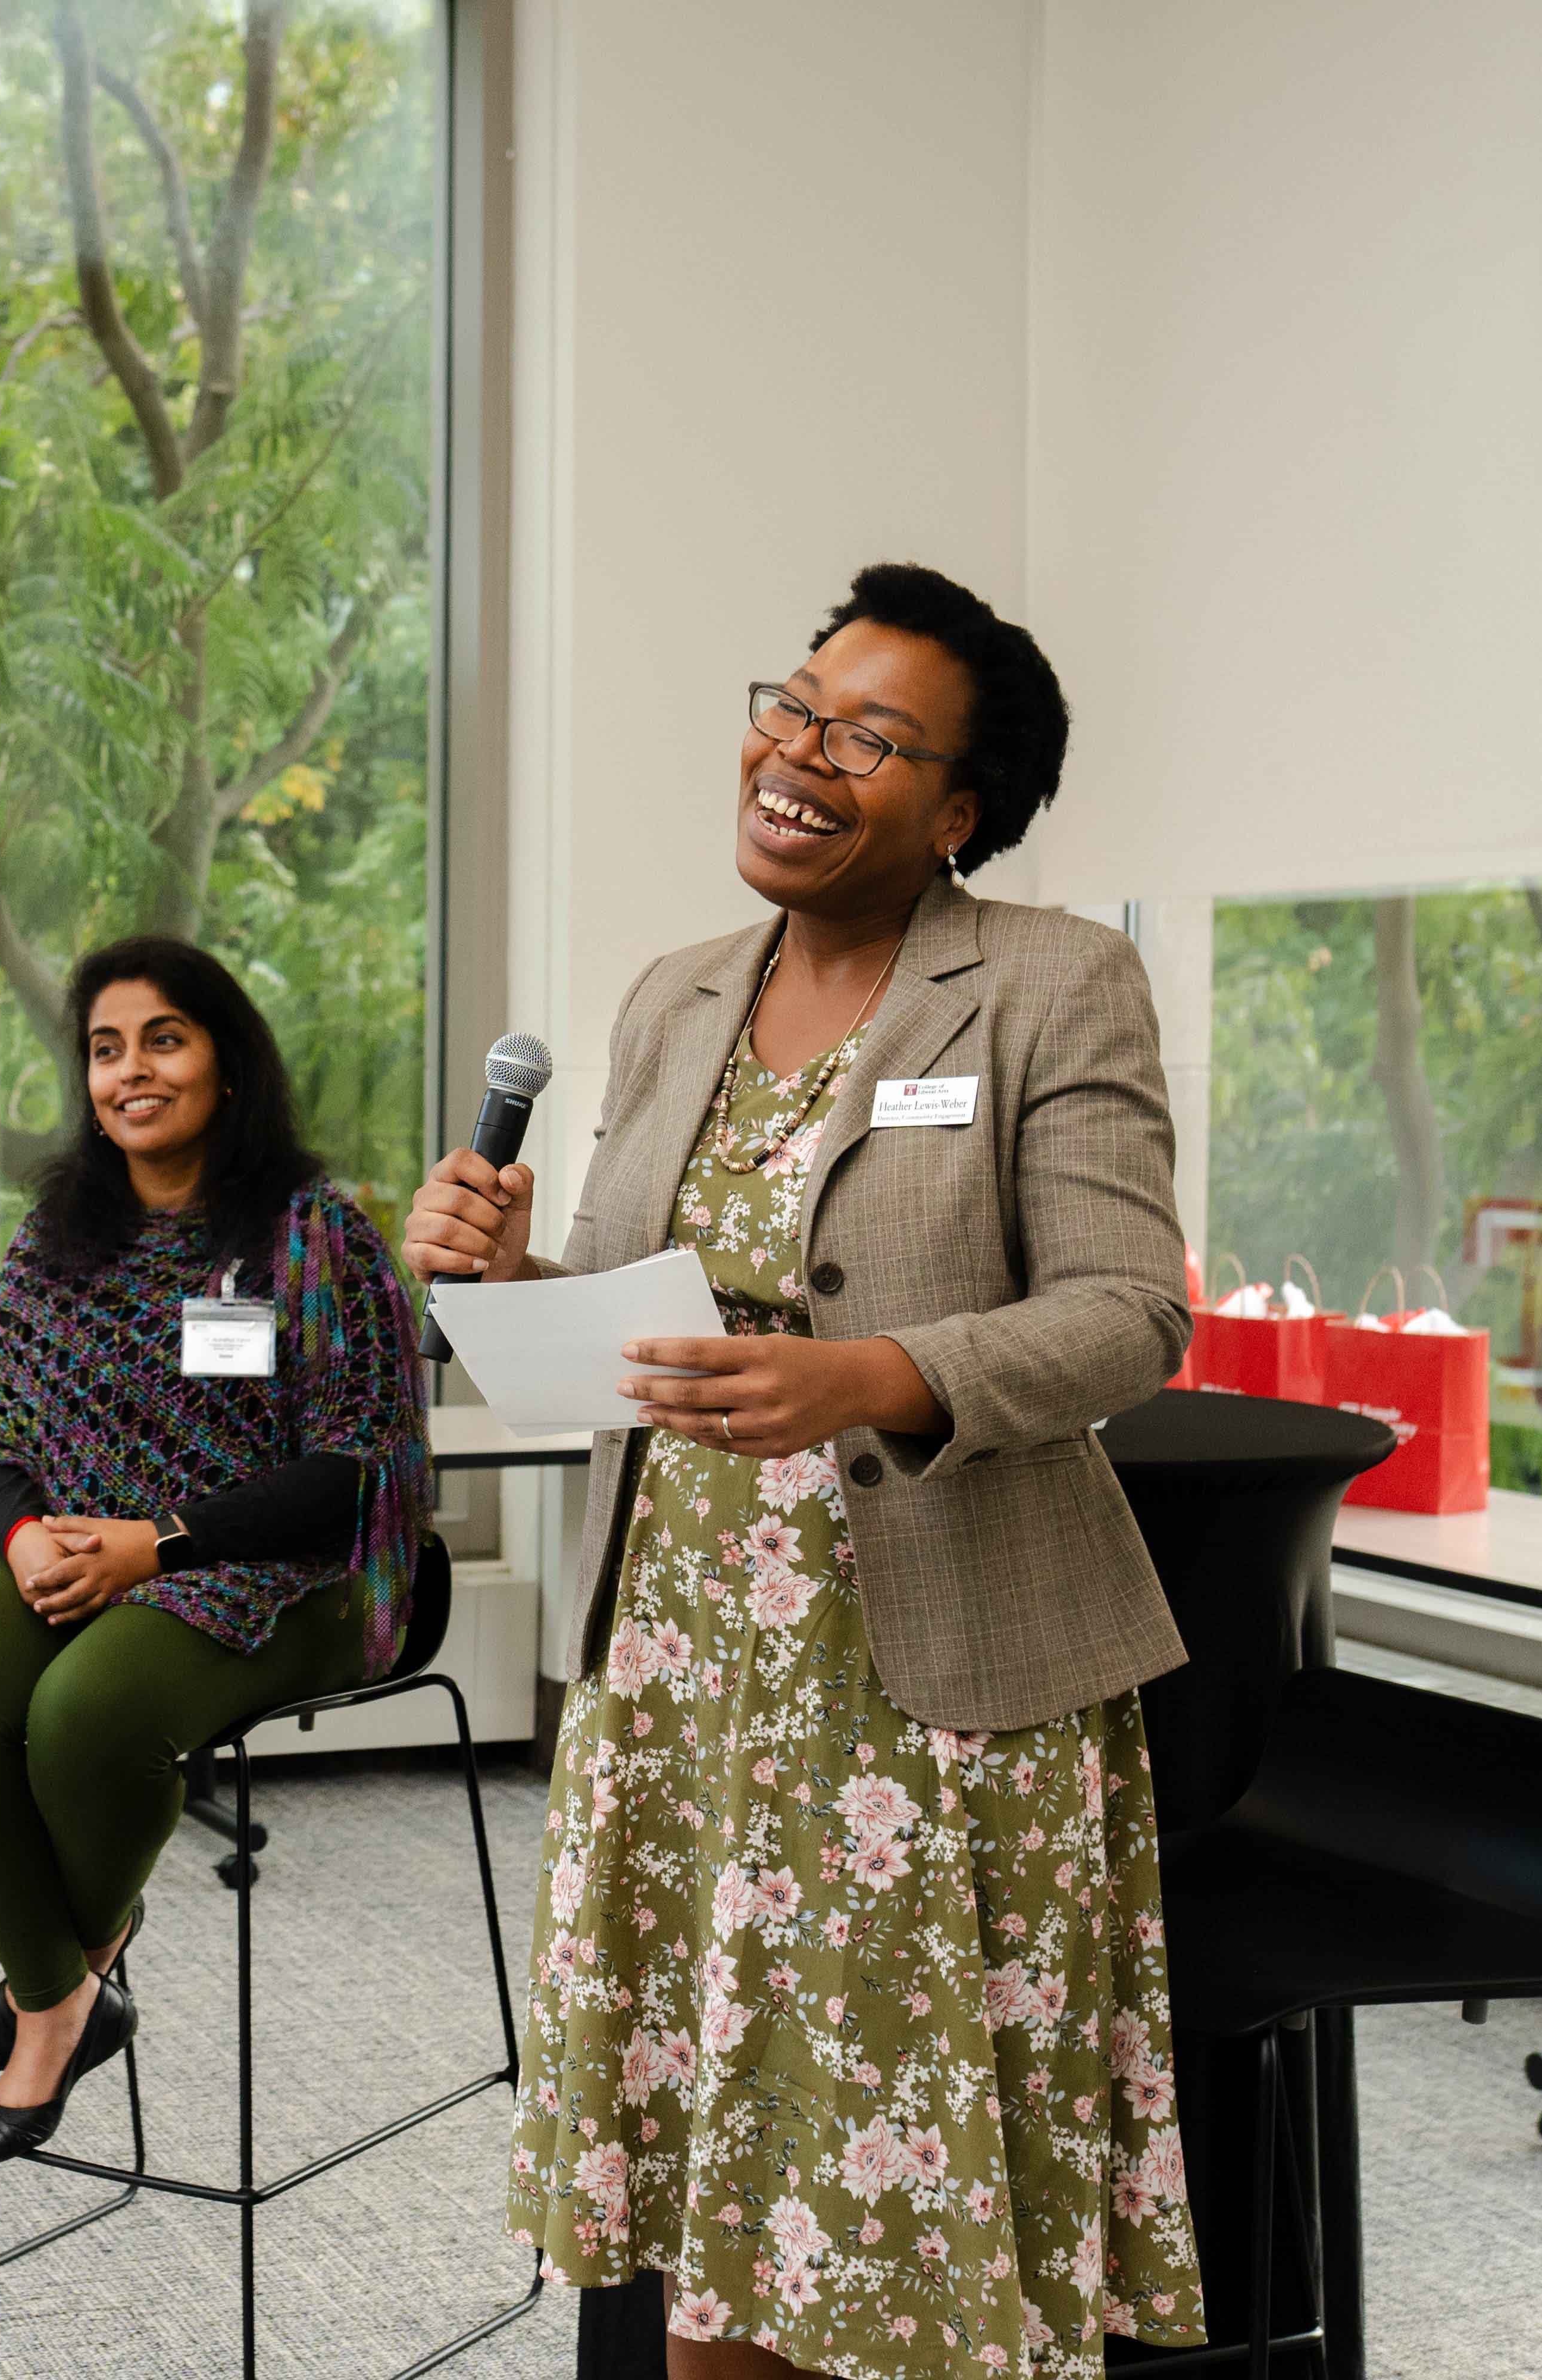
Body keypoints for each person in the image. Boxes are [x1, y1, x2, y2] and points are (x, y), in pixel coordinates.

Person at [405, 565, 1206, 2379]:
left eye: (872, 738)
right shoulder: (678, 994)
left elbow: (1131, 1313)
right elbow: (645, 1317)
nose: (800, 752)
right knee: (718, 2207)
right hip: (683, 1669)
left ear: (960, 813)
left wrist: (881, 1374)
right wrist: (508, 1277)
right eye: (794, 704)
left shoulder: (1054, 982)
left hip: (921, 1685)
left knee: (904, 2210)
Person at [0, 938, 428, 2164]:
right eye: (105, 1046)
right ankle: (69, 1986)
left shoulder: (316, 1233)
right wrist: (25, 1537)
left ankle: (52, 1991)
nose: (131, 1069)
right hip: (82, 1533)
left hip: (282, 1566)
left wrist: (159, 1543)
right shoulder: (60, 1230)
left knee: (84, 1714)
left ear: (227, 1064)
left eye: (164, 1038)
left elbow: (360, 1473)